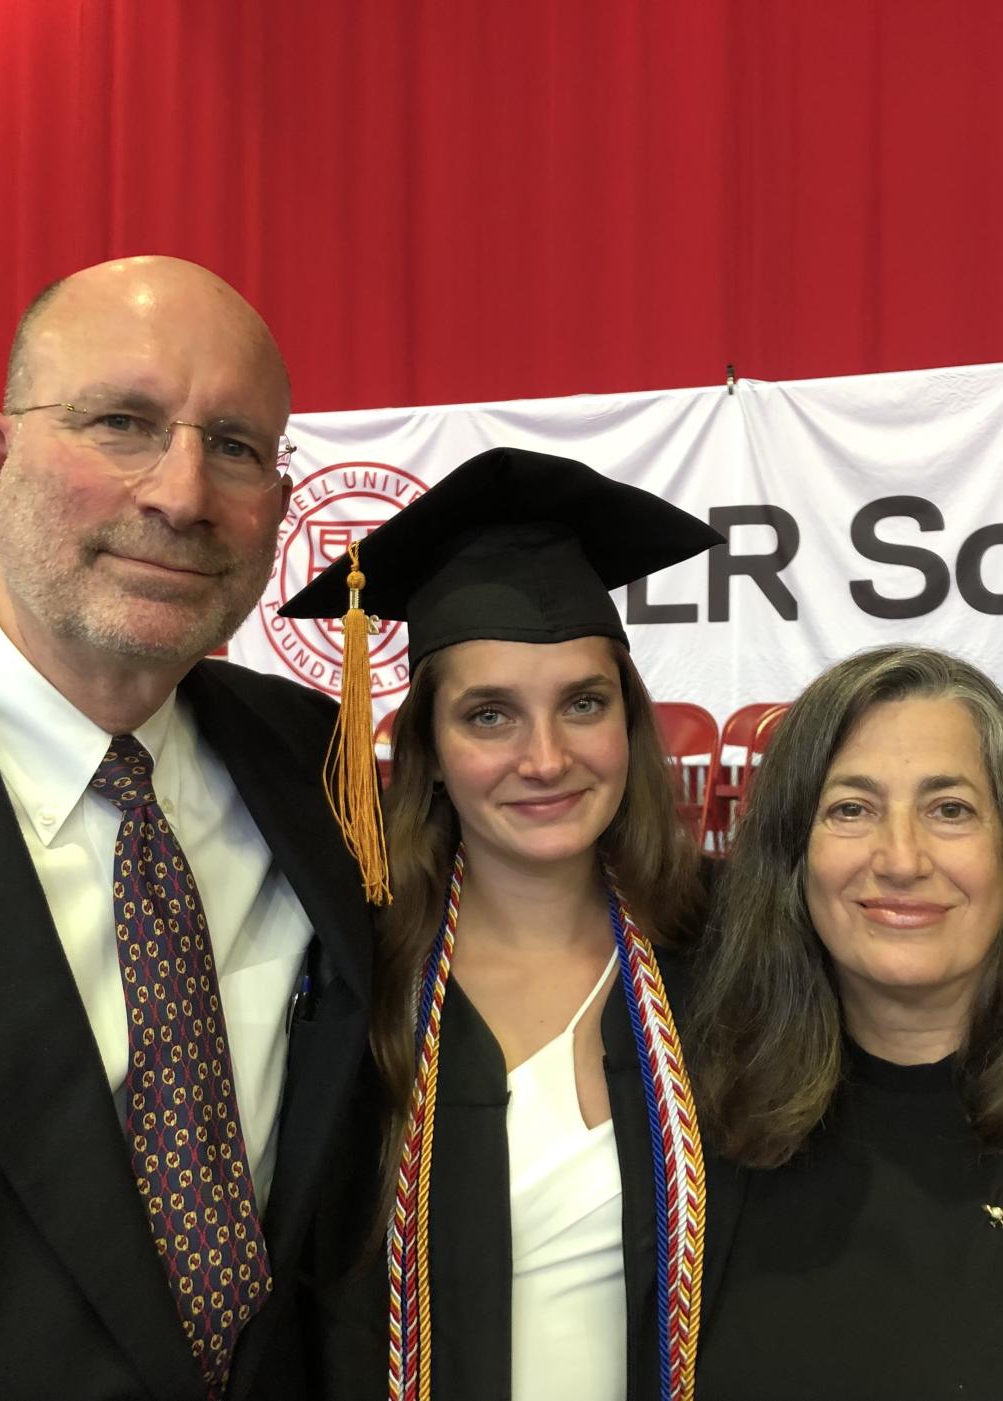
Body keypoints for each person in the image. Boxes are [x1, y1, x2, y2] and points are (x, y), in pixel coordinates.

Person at [0, 256, 372, 1401]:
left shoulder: (319, 775)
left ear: (279, 509)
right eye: (124, 423)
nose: (183, 495)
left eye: (235, 446)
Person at [280, 445, 741, 1401]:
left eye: (583, 703)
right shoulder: (350, 985)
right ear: (432, 749)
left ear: (629, 720)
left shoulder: (729, 955)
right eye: (490, 715)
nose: (546, 757)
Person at [690, 645, 1003, 1399]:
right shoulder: (697, 1130)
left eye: (949, 809)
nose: (900, 858)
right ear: (794, 856)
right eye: (851, 808)